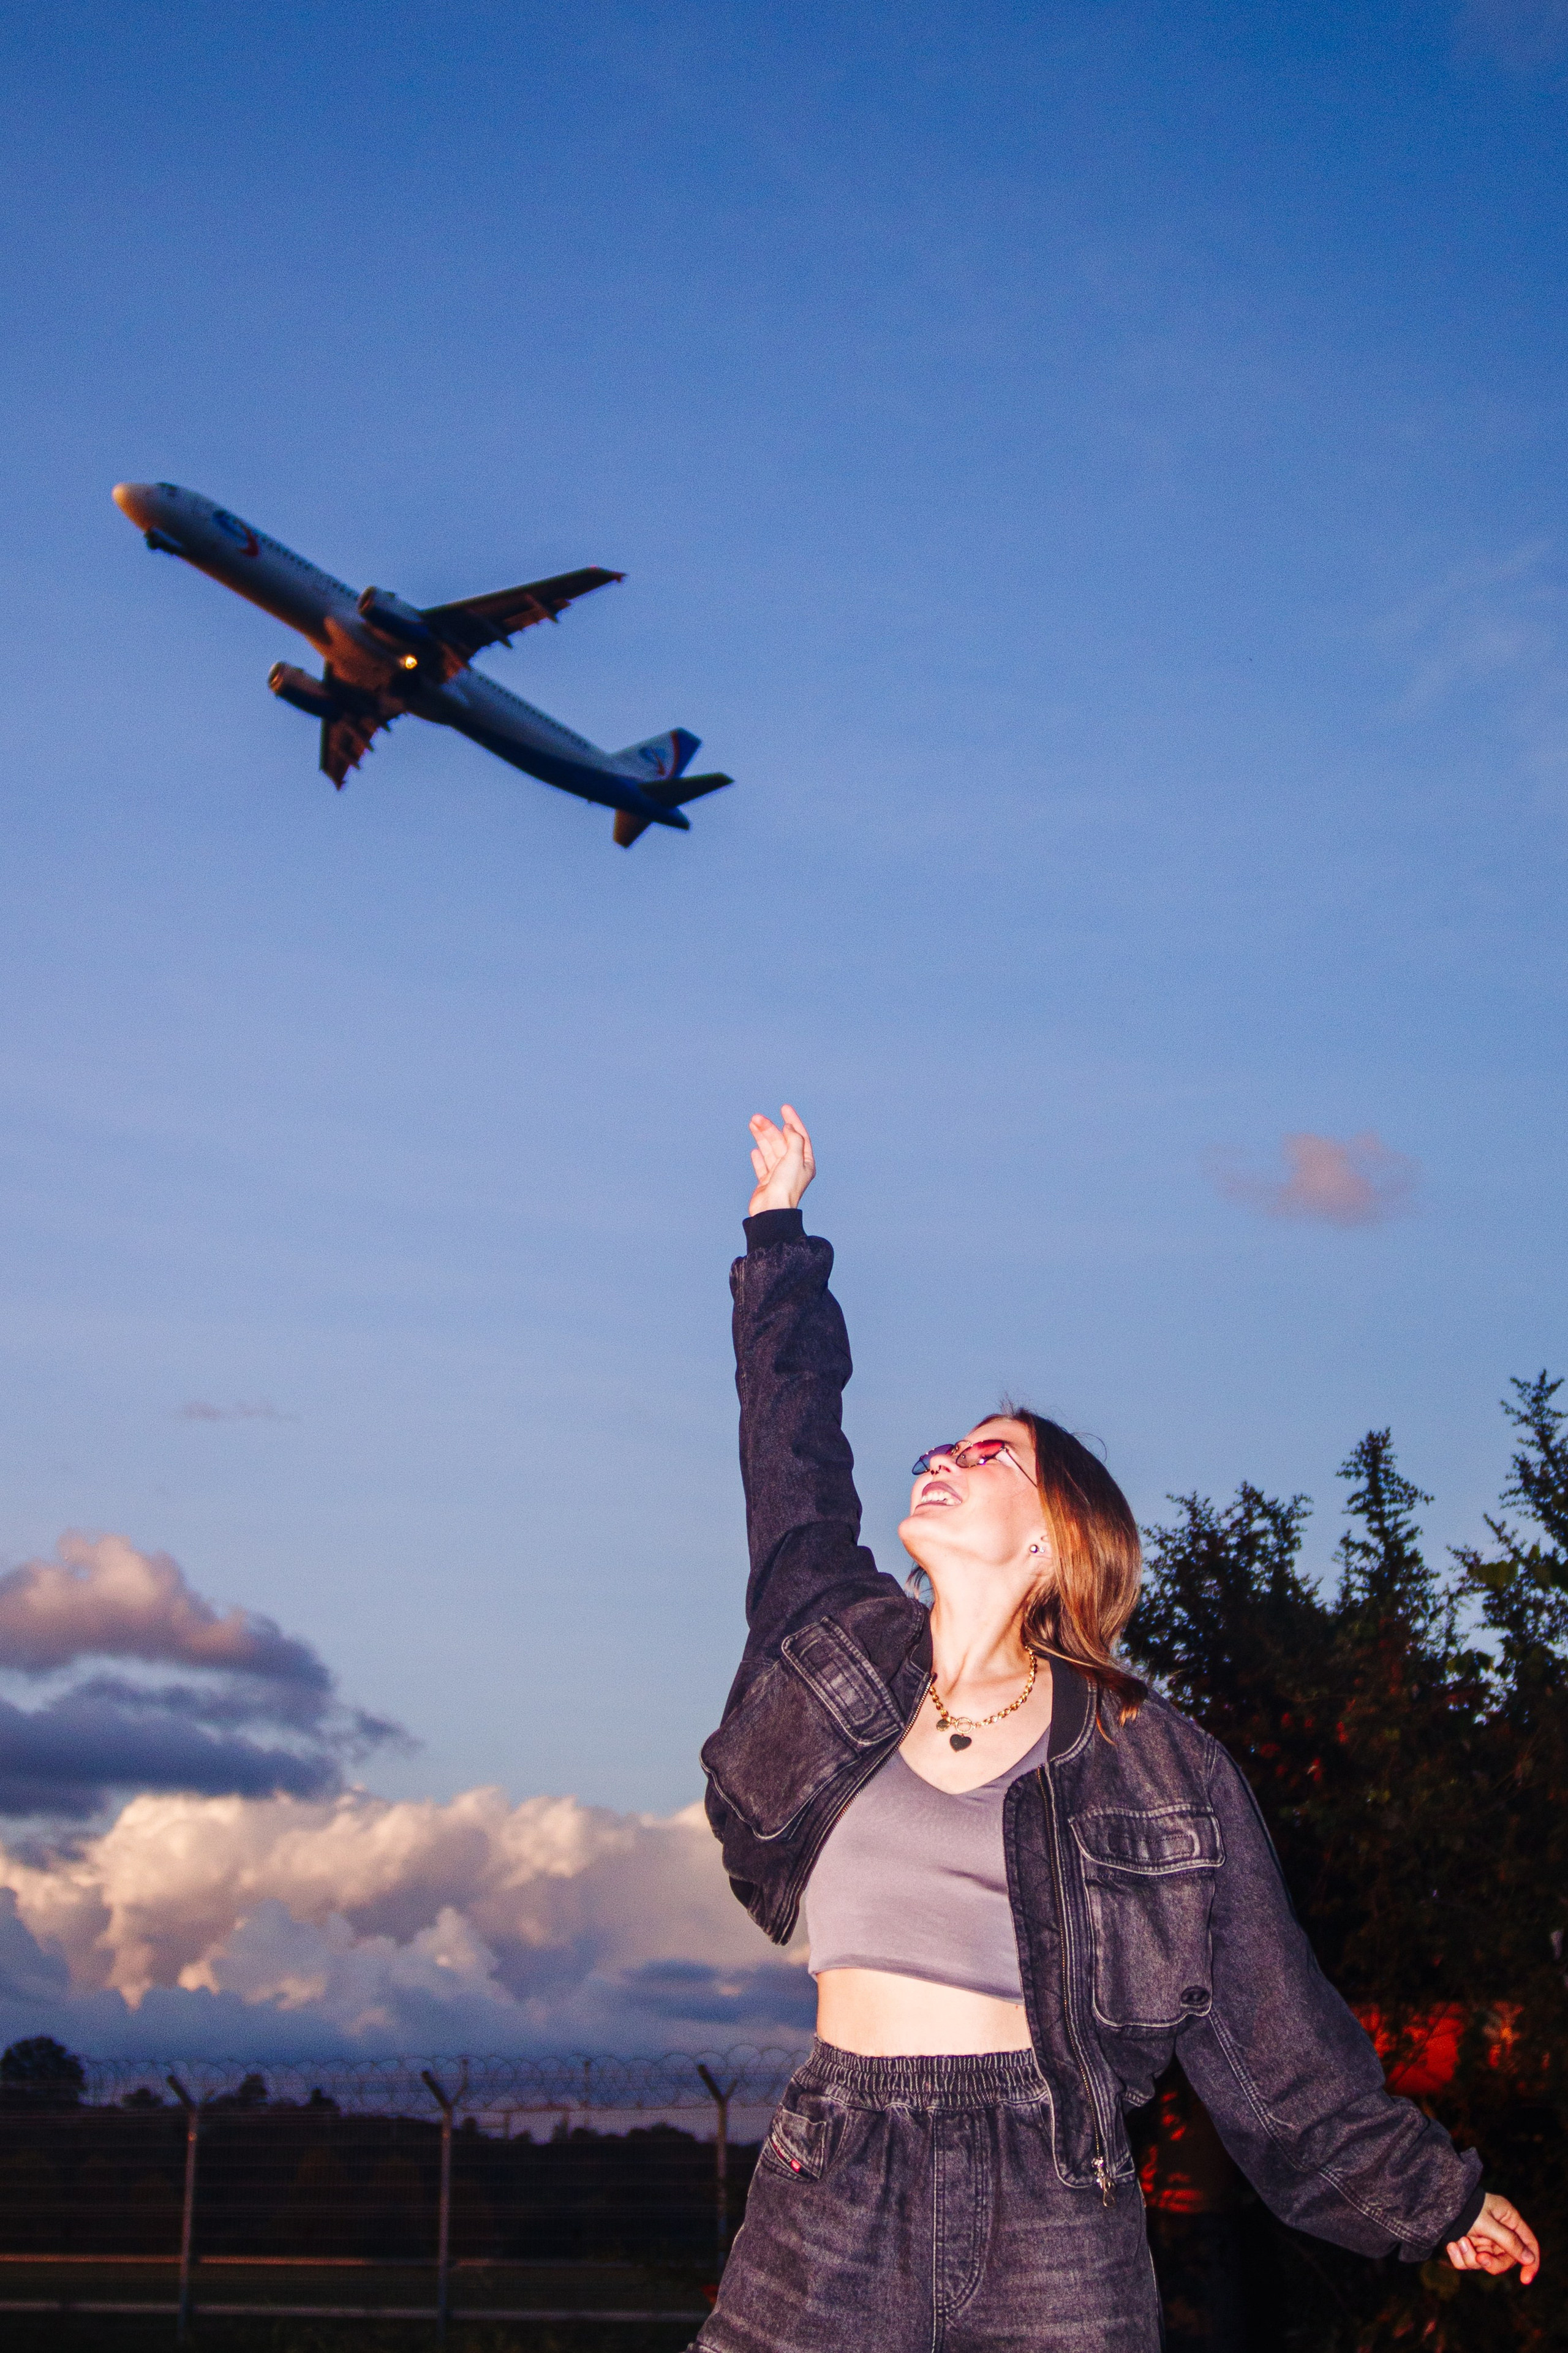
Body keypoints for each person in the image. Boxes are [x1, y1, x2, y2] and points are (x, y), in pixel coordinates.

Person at [693, 1105, 1539, 2353]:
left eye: (988, 1455)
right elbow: (791, 1453)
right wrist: (779, 1235)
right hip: (832, 2168)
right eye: (948, 1443)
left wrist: (1426, 2201)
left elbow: (1266, 2023)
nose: (942, 1455)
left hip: (1050, 2194)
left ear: (1052, 1538)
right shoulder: (836, 1648)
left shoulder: (1156, 1764)